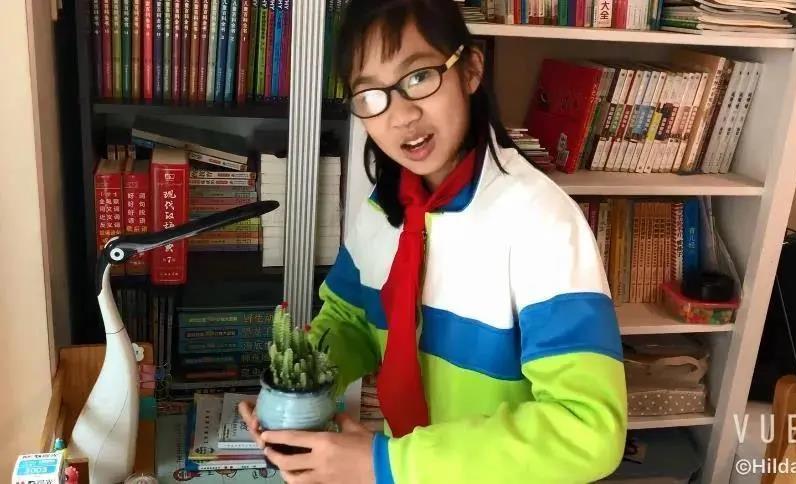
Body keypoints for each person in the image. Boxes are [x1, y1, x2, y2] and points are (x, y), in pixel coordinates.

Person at [239, 0, 627, 482]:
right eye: (371, 95)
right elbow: (349, 320)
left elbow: (589, 430)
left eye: (419, 77)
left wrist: (386, 463)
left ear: (471, 70)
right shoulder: (383, 210)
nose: (402, 116)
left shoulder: (541, 221)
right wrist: (294, 388)